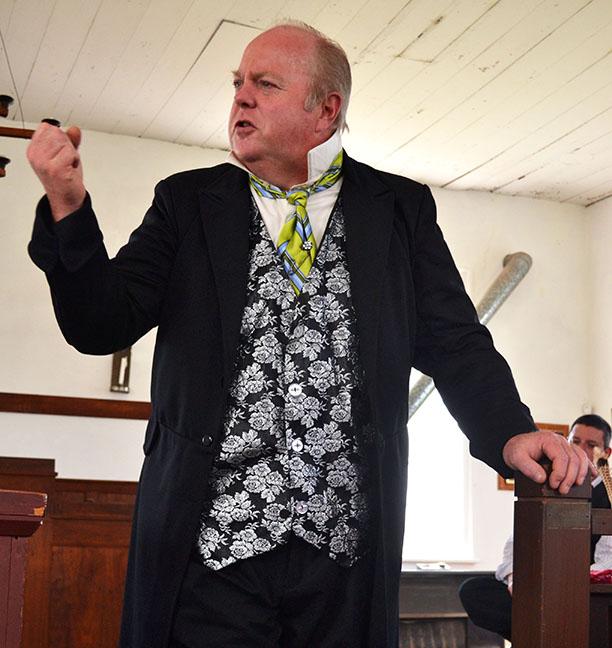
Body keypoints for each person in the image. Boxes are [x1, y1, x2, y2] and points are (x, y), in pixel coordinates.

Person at [26, 20, 592, 648]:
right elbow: (100, 322)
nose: (241, 97)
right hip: (207, 558)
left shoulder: (399, 210)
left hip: (342, 566)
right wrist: (68, 205)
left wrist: (510, 431)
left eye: (265, 84)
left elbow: (455, 341)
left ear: (326, 111)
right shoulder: (187, 204)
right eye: (238, 83)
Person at [459, 414, 612, 642]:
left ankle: (548, 633)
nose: (581, 450)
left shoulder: (608, 497)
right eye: (575, 442)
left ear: (605, 453)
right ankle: (547, 634)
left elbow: (606, 563)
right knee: (474, 591)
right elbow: (516, 543)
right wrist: (514, 578)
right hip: (540, 587)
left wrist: (561, 586)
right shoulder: (548, 482)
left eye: (591, 445)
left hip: (579, 593)